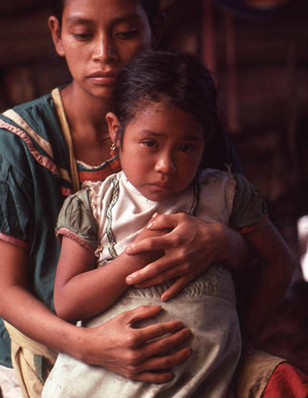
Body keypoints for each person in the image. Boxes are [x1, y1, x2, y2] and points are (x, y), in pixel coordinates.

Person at [0, 0, 306, 397]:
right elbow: (8, 293)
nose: (104, 53)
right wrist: (90, 346)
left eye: (126, 32)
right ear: (56, 35)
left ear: (156, 30)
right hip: (61, 344)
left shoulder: (187, 130)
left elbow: (259, 252)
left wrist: (221, 243)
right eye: (83, 34)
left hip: (189, 345)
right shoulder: (12, 147)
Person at [42, 50, 293, 397]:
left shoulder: (226, 195)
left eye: (186, 148)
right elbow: (67, 303)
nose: (166, 165)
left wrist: (245, 334)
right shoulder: (95, 206)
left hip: (200, 381)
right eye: (150, 143)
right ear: (116, 131)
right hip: (103, 383)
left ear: (205, 140)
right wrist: (134, 259)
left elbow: (279, 262)